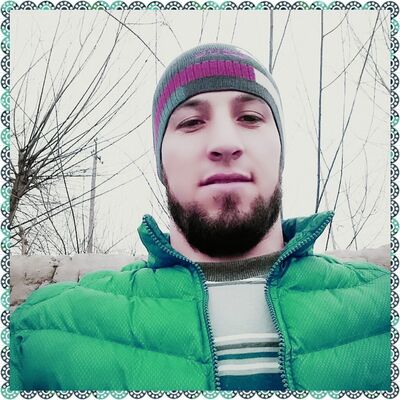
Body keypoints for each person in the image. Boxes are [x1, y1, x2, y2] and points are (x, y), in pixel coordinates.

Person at [11, 43, 390, 391]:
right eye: (191, 122)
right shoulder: (41, 335)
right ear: (161, 163)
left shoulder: (385, 309)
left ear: (280, 152)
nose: (225, 143)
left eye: (250, 117)